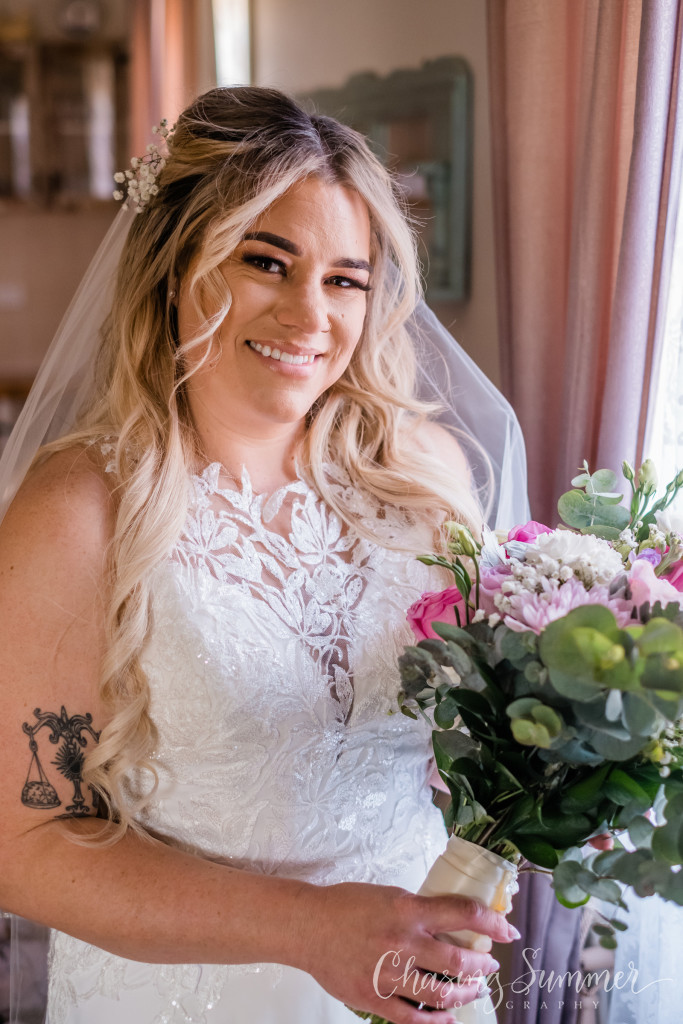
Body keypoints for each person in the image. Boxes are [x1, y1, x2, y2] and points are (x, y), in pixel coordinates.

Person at [0, 87, 527, 1024]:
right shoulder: (82, 510)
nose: (307, 314)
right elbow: (24, 840)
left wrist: (561, 777)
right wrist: (308, 929)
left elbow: (462, 749)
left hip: (417, 986)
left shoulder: (424, 480)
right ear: (175, 266)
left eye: (345, 279)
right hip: (189, 997)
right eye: (265, 261)